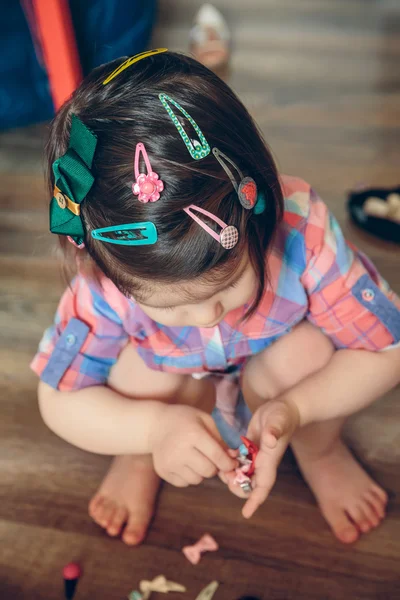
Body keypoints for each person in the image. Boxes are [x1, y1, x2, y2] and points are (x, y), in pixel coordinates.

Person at [31, 50, 400, 547]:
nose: (206, 316)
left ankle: (320, 452)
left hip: (273, 382)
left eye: (227, 284)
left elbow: (387, 348)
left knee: (308, 354)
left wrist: (297, 409)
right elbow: (58, 396)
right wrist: (151, 430)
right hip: (175, 390)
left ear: (259, 208)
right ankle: (137, 457)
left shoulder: (301, 231)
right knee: (130, 375)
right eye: (172, 306)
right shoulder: (104, 277)